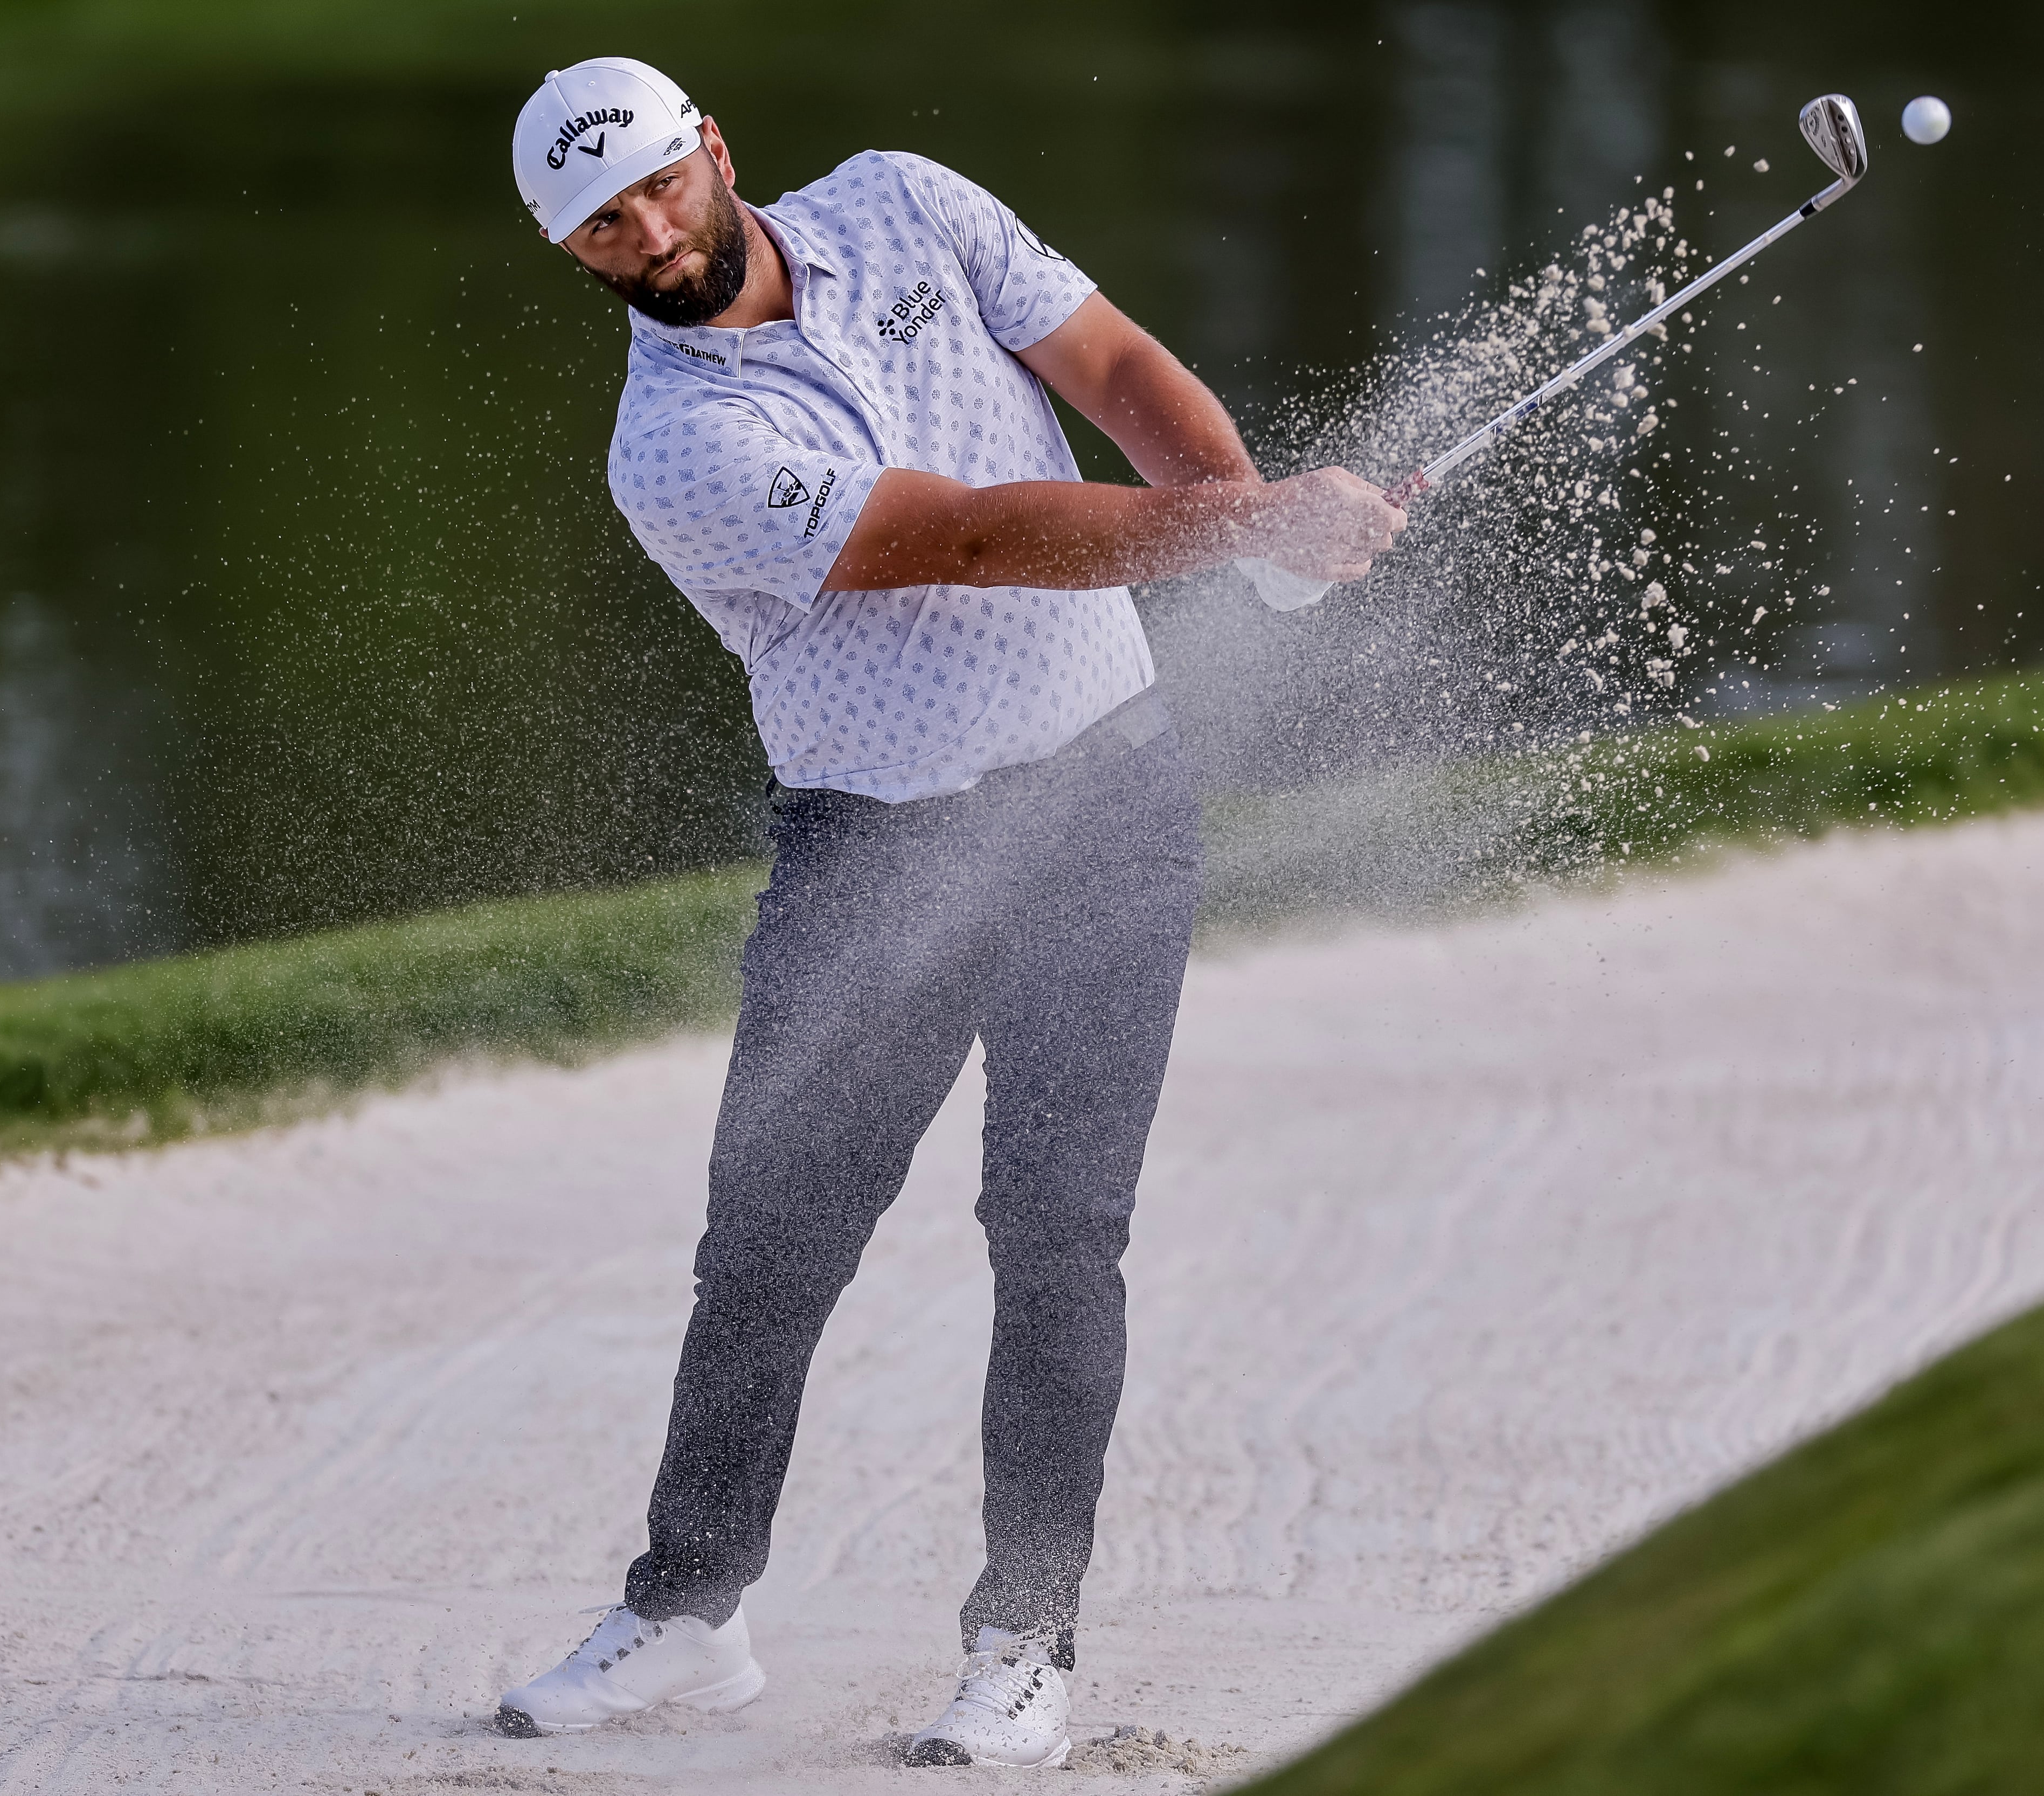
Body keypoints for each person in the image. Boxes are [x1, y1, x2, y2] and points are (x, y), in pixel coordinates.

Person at [491, 57, 1404, 1769]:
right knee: (767, 1246)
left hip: (1107, 808)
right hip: (873, 855)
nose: (647, 230)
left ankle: (1024, 1642)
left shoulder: (909, 200)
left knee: (1062, 1237)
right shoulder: (675, 442)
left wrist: (1242, 511)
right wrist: (1236, 534)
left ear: (714, 153)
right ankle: (688, 1615)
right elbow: (973, 541)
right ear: (579, 257)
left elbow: (1116, 367)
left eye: (658, 185)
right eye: (603, 224)